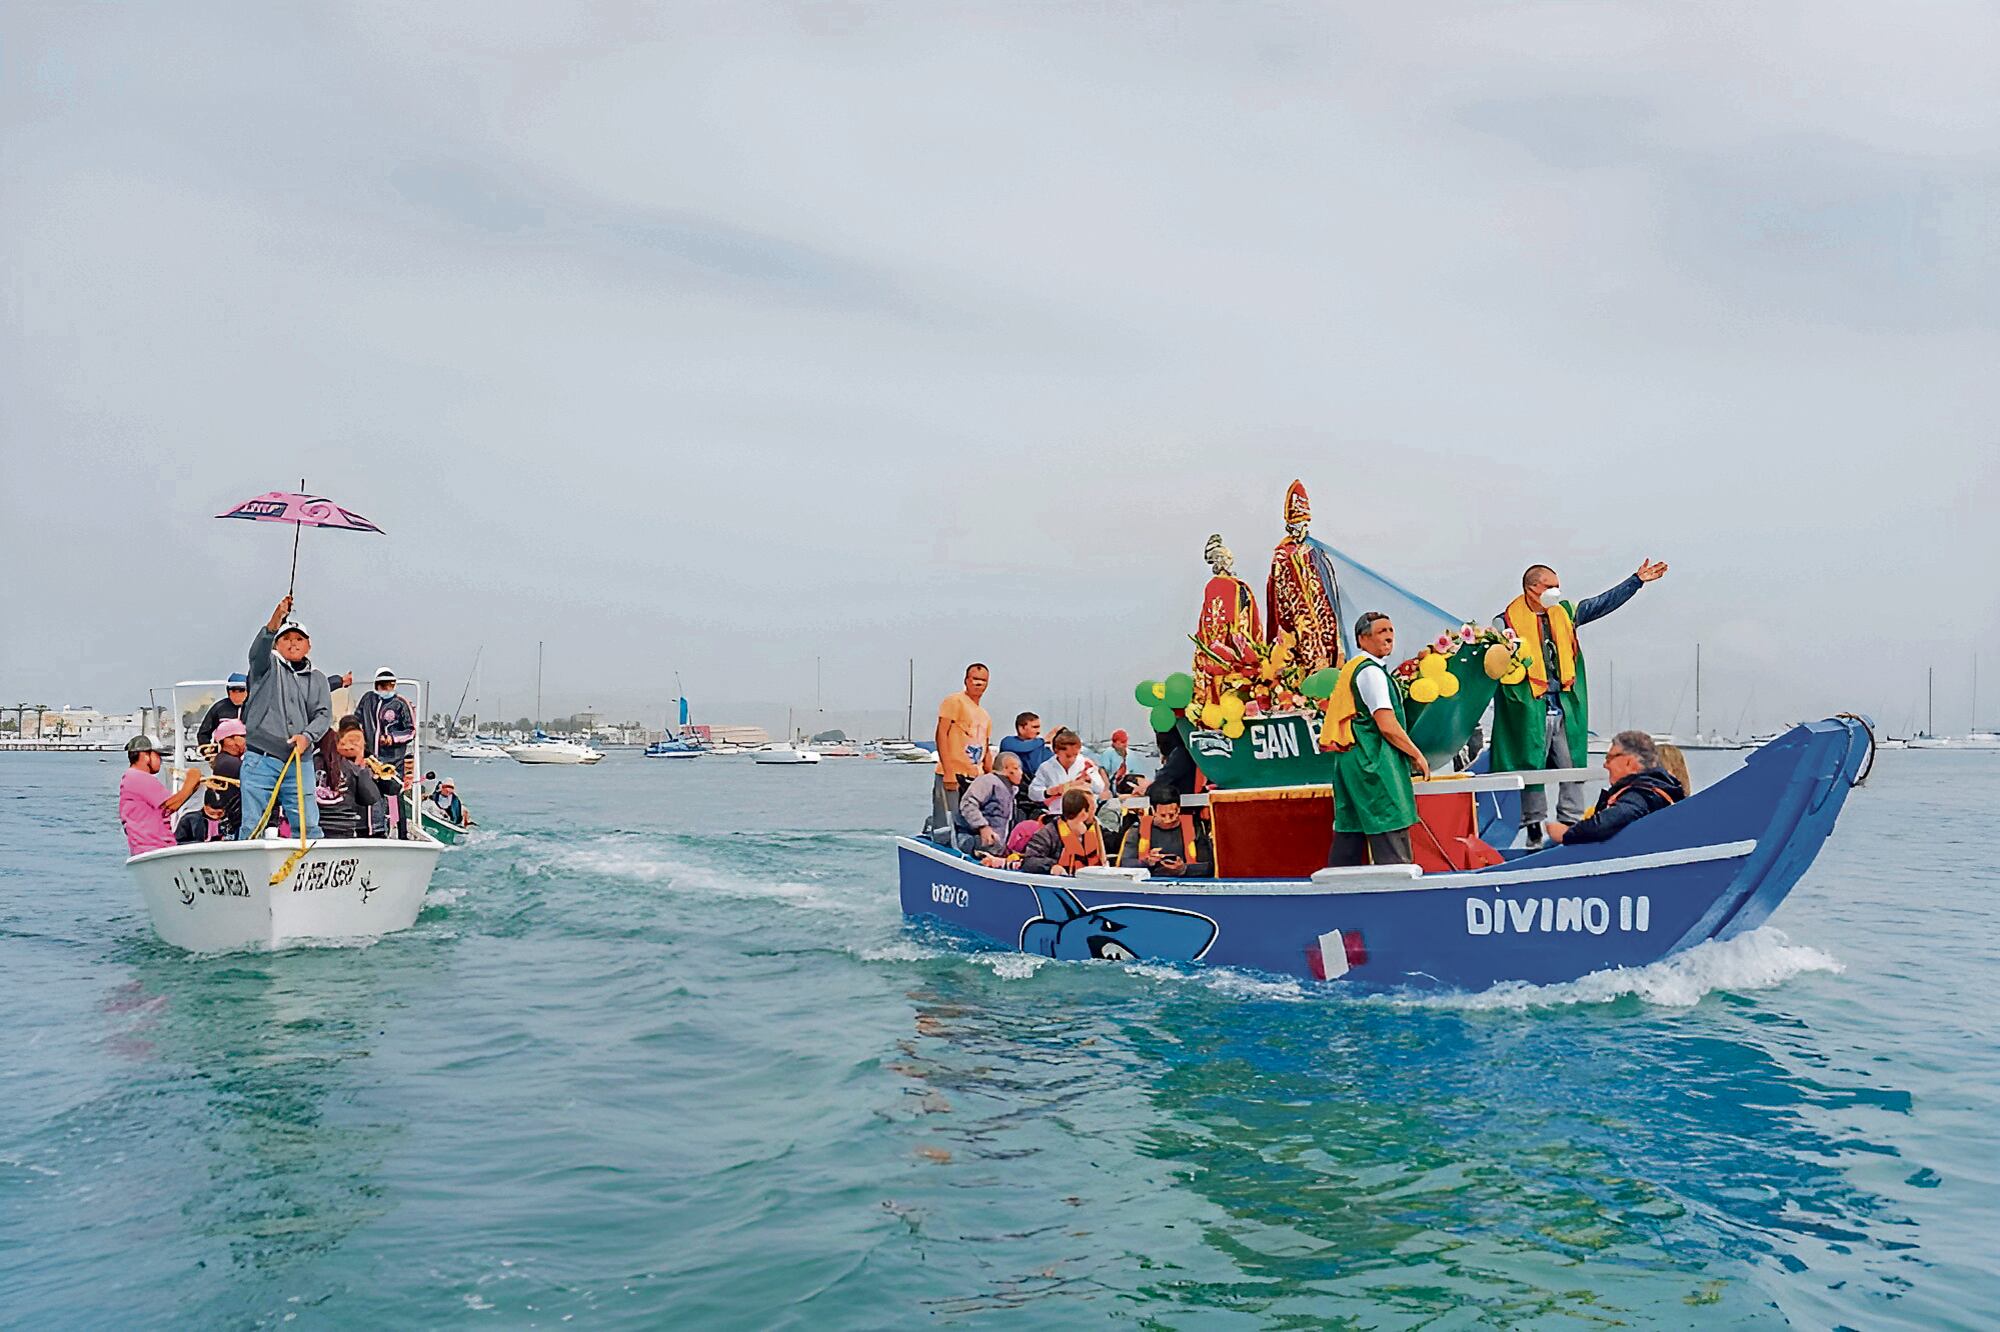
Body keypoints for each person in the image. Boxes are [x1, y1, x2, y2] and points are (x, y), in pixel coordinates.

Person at [1492, 559, 1669, 846]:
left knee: (1571, 762)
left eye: (1558, 586)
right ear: (1532, 588)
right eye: (1550, 586)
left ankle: (1570, 824)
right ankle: (1534, 825)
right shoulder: (1505, 623)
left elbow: (1601, 604)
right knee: (1529, 764)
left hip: (1564, 700)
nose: (1556, 591)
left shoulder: (1566, 613)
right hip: (1529, 704)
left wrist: (1635, 581)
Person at [1319, 611, 1429, 867]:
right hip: (1373, 762)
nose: (1389, 636)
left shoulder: (1354, 669)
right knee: (1389, 826)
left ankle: (1336, 893)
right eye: (1382, 632)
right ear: (1363, 639)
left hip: (1352, 762)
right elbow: (1387, 725)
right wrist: (1416, 754)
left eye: (1391, 631)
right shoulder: (1371, 673)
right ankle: (1398, 894)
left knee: (1350, 834)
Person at [238, 595, 333, 840]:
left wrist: (307, 737)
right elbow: (256, 653)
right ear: (276, 645)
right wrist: (275, 619)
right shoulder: (266, 667)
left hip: (299, 761)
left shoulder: (319, 679)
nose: (292, 643)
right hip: (260, 758)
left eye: (299, 639)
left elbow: (323, 715)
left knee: (308, 825)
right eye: (286, 639)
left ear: (308, 645)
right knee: (252, 824)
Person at [1548, 730, 1685, 844]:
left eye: (1609, 758)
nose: (1605, 765)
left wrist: (1567, 834)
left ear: (1629, 762)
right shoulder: (1654, 791)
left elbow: (1610, 820)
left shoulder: (1642, 794)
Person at [1266, 480, 1346, 673]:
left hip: (1326, 625)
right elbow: (1279, 599)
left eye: (1304, 523)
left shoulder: (1315, 552)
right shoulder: (1283, 555)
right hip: (1300, 630)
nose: (1302, 528)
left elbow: (1330, 589)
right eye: (1298, 524)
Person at [1193, 533, 1263, 707]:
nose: (1228, 563)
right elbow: (1219, 622)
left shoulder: (1236, 585)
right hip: (1228, 652)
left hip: (1236, 648)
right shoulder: (1221, 586)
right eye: (1225, 559)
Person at [929, 663, 993, 840]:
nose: (979, 684)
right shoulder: (954, 701)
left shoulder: (985, 715)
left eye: (983, 680)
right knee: (947, 825)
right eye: (975, 679)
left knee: (968, 822)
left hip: (974, 777)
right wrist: (948, 772)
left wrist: (993, 777)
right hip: (952, 773)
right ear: (966, 680)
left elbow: (986, 748)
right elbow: (941, 734)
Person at [357, 667, 419, 837]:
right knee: (369, 794)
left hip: (392, 761)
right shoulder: (368, 700)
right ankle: (373, 831)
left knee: (393, 796)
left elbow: (411, 731)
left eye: (389, 685)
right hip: (370, 759)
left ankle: (401, 834)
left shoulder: (400, 703)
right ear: (376, 685)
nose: (386, 689)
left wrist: (392, 738)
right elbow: (357, 720)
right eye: (383, 685)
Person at [120, 735, 204, 855]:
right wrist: (191, 780)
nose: (160, 760)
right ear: (145, 756)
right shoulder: (139, 777)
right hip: (155, 848)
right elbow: (170, 806)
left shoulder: (130, 778)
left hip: (148, 849)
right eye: (158, 756)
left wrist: (193, 785)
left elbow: (170, 806)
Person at [315, 718, 394, 839]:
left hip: (374, 826)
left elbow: (393, 789)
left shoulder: (372, 761)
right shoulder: (336, 763)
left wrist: (375, 776)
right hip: (351, 827)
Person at [1118, 784, 1213, 878]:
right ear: (1153, 810)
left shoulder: (1194, 829)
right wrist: (1147, 862)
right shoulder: (1137, 830)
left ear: (1178, 809)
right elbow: (1125, 863)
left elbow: (1209, 866)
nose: (1168, 820)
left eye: (1172, 815)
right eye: (1162, 815)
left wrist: (1184, 869)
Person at [1020, 788, 1107, 876]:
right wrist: (1052, 866)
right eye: (1093, 809)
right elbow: (1029, 861)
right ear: (1083, 813)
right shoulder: (1048, 833)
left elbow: (1112, 842)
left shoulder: (1096, 830)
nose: (1094, 813)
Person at [1029, 727, 1107, 814]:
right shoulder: (1046, 767)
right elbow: (1032, 793)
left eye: (1075, 755)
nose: (1072, 759)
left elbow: (1100, 788)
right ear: (1056, 751)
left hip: (1083, 813)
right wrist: (1050, 792)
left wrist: (1090, 780)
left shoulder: (1086, 764)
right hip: (1057, 813)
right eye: (1068, 756)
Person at [957, 752, 1022, 857]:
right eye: (1017, 768)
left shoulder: (1012, 790)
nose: (1021, 773)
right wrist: (983, 827)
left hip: (998, 848)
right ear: (1006, 769)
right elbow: (968, 803)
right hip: (980, 842)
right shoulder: (988, 781)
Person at [208, 719, 249, 837]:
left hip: (235, 822)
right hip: (240, 822)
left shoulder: (222, 761)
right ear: (230, 739)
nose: (246, 740)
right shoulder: (230, 764)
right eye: (243, 736)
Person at [996, 712, 1053, 787]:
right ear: (1021, 728)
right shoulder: (1008, 742)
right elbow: (1024, 748)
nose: (1038, 732)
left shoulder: (1041, 748)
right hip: (1010, 786)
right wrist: (1043, 740)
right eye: (1034, 727)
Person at [195, 673, 249, 746]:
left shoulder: (254, 708)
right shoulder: (219, 707)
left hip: (249, 753)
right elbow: (203, 733)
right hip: (225, 753)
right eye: (233, 690)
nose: (237, 694)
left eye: (241, 690)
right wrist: (208, 752)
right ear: (228, 691)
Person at [1097, 729, 1152, 795]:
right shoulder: (1108, 753)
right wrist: (1107, 785)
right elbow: (1102, 770)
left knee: (1139, 780)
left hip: (1129, 778)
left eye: (1126, 742)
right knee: (1131, 780)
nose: (1125, 744)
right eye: (1122, 742)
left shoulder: (1130, 754)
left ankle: (1149, 788)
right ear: (1115, 743)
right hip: (1117, 782)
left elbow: (1136, 773)